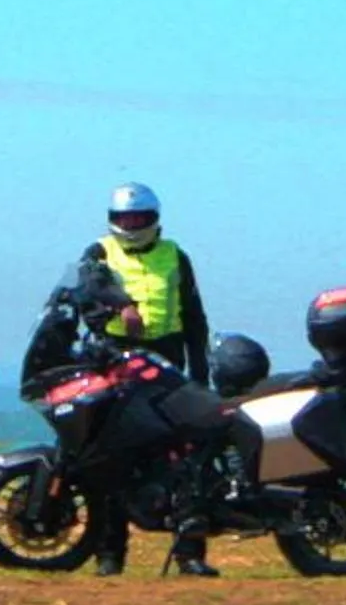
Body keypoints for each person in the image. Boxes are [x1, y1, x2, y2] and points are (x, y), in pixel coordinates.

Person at [69, 182, 242, 578]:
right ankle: (110, 555)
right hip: (114, 360)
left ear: (153, 219)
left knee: (186, 457)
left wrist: (200, 374)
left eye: (139, 217)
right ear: (113, 220)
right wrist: (122, 304)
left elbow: (194, 315)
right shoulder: (100, 252)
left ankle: (190, 552)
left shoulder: (175, 256)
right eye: (124, 218)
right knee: (110, 457)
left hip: (167, 362)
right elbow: (89, 284)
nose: (132, 224)